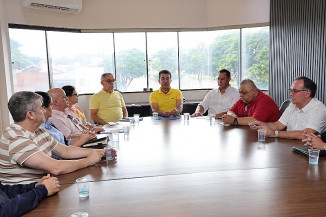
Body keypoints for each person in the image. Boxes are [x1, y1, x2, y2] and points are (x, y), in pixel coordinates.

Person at [0, 91, 106, 184]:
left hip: (43, 186)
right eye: (41, 107)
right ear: (30, 115)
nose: (44, 110)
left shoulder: (38, 130)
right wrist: (89, 161)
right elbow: (56, 168)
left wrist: (97, 152)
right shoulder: (16, 138)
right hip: (24, 195)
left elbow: (65, 151)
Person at [251, 76, 326, 140]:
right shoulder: (292, 104)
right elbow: (278, 125)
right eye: (291, 90)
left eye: (295, 91)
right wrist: (261, 125)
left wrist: (275, 133)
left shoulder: (320, 109)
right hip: (289, 145)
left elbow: (306, 134)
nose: (291, 94)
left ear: (307, 93)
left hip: (307, 149)